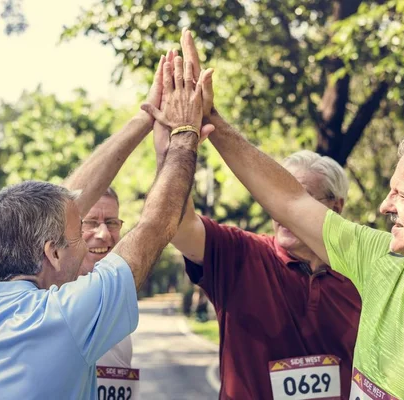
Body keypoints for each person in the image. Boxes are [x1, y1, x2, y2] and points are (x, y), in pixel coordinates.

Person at [148, 31, 404, 399]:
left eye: (402, 195)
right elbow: (289, 201)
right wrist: (209, 121)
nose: (385, 206)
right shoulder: (380, 260)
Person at [0, 53, 210, 399]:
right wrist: (185, 132)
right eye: (77, 235)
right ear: (52, 252)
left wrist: (145, 118)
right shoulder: (65, 315)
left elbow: (62, 204)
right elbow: (155, 226)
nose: (88, 241)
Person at [146, 32, 362, 400]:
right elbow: (177, 227)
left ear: (336, 207)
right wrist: (173, 152)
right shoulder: (241, 253)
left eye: (299, 201)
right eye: (276, 201)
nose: (282, 213)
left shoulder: (364, 271)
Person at [78, 188, 133, 370]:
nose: (104, 234)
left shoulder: (117, 299)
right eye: (91, 223)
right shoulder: (47, 302)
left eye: (111, 223)